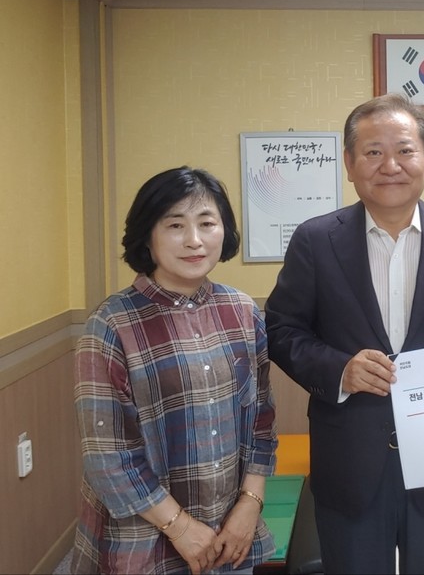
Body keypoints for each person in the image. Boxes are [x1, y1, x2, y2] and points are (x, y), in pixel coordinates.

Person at [264, 92, 424, 574]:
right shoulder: (315, 240)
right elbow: (281, 328)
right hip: (349, 466)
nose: (390, 165)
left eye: (405, 150)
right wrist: (340, 370)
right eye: (373, 152)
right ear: (349, 163)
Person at [71, 166, 278, 575]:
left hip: (230, 533)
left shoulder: (241, 310)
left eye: (207, 223)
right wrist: (180, 527)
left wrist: (249, 505)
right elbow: (108, 455)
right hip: (145, 540)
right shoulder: (111, 324)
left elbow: (262, 420)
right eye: (175, 225)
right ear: (147, 236)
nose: (194, 240)